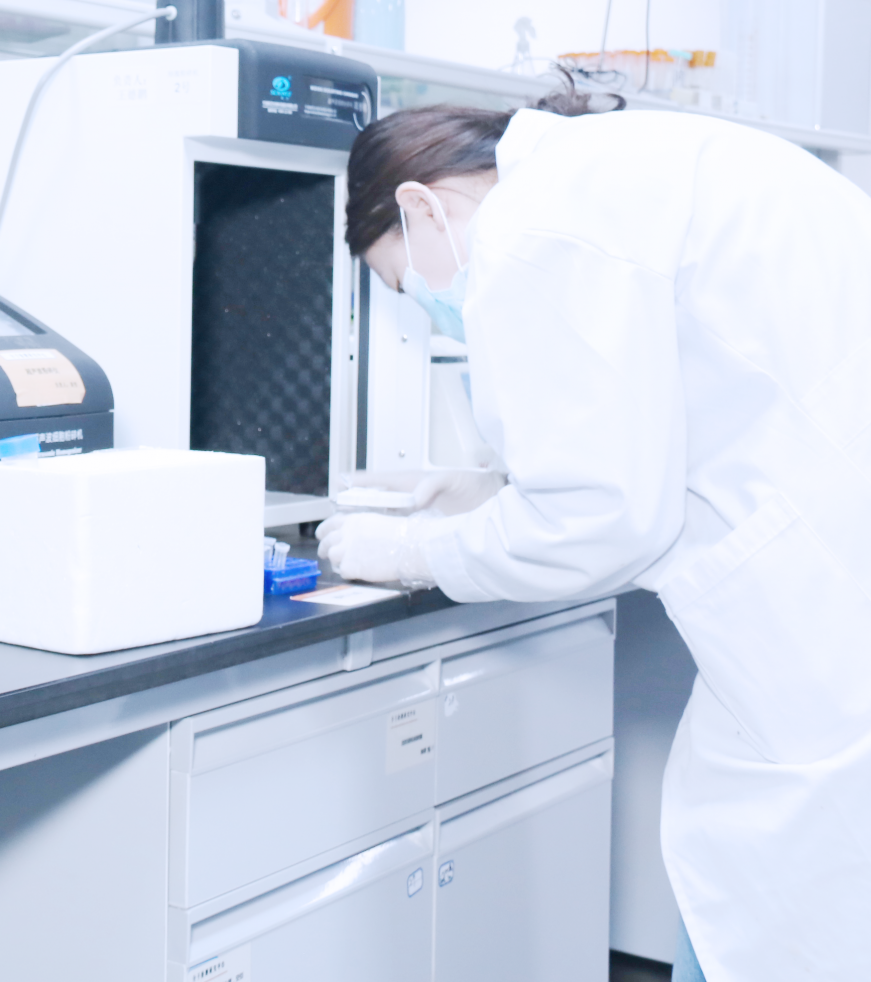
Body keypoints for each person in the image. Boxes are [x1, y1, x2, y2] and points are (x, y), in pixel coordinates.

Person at [316, 87, 871, 982]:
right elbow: (668, 413)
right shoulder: (608, 170)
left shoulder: (531, 226)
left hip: (825, 604)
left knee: (766, 892)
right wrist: (499, 490)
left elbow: (601, 520)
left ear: (422, 205)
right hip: (828, 555)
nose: (428, 305)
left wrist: (420, 551)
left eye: (402, 281)